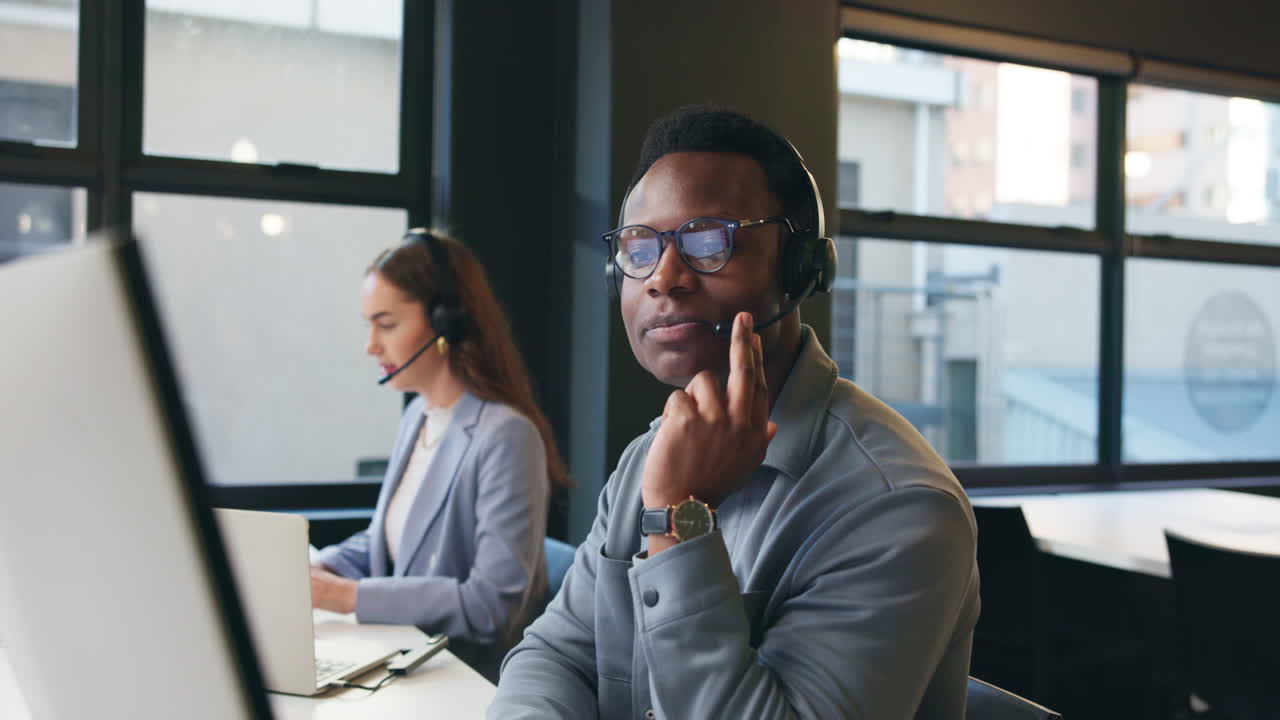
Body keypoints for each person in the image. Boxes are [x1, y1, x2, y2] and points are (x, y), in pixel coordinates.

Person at [489, 106, 980, 718]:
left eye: (708, 240)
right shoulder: (650, 456)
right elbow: (554, 655)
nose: (663, 278)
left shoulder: (896, 505)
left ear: (800, 269)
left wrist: (678, 519)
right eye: (639, 247)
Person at [311, 229, 568, 682]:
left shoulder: (506, 436)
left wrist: (348, 597)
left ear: (447, 322)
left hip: (462, 676)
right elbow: (389, 543)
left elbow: (491, 604)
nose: (371, 345)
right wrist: (319, 568)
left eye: (387, 324)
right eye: (368, 324)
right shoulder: (419, 416)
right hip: (403, 655)